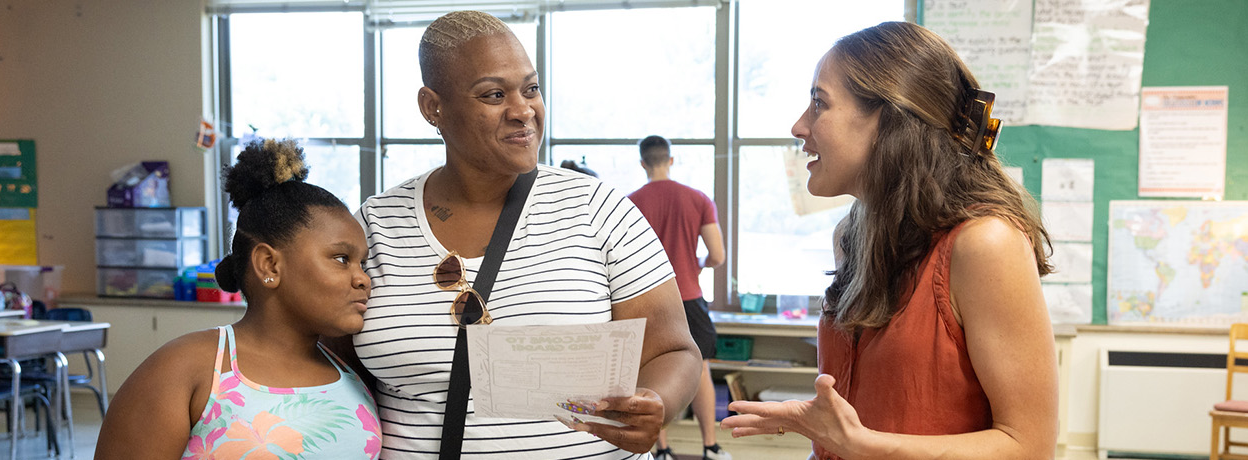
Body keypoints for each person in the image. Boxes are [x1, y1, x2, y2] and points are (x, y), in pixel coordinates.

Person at [327, 10, 703, 459]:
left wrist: (656, 402)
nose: (523, 110)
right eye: (494, 94)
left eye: (531, 89)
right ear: (433, 107)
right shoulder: (377, 225)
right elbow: (333, 366)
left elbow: (676, 350)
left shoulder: (598, 209)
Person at [720, 21, 1059, 459]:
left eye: (819, 104)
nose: (799, 126)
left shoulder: (985, 243)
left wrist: (859, 445)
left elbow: (1028, 447)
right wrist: (824, 436)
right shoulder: (852, 236)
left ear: (889, 120)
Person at [96, 138, 382, 459]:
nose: (363, 278)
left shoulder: (351, 376)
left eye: (363, 263)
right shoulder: (186, 369)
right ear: (269, 265)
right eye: (342, 258)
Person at [626, 135, 729, 460]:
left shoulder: (628, 202)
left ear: (643, 163)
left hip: (645, 301)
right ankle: (711, 447)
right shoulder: (697, 198)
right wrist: (697, 263)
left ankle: (661, 450)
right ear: (670, 161)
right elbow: (717, 255)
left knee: (650, 374)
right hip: (688, 296)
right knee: (700, 370)